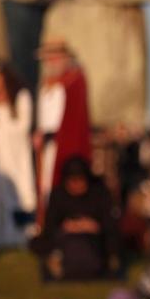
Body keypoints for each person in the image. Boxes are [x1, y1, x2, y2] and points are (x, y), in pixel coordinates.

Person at [30, 156, 120, 281]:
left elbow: (109, 223)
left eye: (80, 180)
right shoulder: (58, 195)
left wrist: (93, 226)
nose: (76, 185)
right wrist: (68, 226)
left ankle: (106, 262)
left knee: (114, 240)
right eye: (73, 181)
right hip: (65, 239)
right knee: (38, 242)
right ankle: (57, 260)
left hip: (94, 240)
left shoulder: (99, 193)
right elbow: (50, 225)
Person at [0, 60, 37, 248]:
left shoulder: (21, 96)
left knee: (20, 193)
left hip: (16, 156)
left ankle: (24, 236)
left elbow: (23, 127)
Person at [34, 39, 92, 227]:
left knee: (60, 182)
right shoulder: (47, 85)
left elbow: (74, 120)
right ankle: (46, 225)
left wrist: (52, 135)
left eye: (53, 58)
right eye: (47, 59)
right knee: (45, 185)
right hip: (47, 147)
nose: (50, 63)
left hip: (64, 144)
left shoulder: (74, 80)